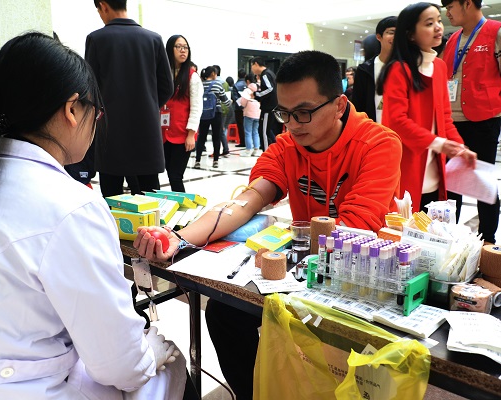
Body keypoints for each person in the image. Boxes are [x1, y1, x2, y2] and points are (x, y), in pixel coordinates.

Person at [0, 32, 185, 400]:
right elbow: (122, 367)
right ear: (72, 109)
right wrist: (152, 350)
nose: (96, 123)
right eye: (96, 112)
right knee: (170, 362)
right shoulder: (71, 207)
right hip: (24, 391)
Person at [135, 50, 404, 400]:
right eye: (284, 113)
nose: (292, 125)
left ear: (339, 105)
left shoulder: (378, 144)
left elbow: (356, 228)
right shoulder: (287, 145)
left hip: (361, 275)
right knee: (224, 312)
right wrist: (178, 238)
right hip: (306, 267)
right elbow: (246, 202)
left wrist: (293, 247)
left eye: (303, 112)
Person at [378, 2, 477, 213]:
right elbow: (397, 121)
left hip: (434, 167)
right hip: (407, 165)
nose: (438, 27)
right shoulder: (399, 69)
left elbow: (445, 118)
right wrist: (440, 144)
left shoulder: (439, 66)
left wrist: (460, 147)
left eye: (439, 21)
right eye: (429, 23)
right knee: (404, 224)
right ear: (411, 34)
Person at [85, 0, 173, 198]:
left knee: (112, 198)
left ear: (103, 6)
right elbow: (167, 87)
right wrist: (148, 106)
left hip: (111, 135)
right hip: (147, 133)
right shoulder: (153, 39)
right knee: (149, 199)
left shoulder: (97, 39)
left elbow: (90, 88)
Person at [442, 0, 501, 244]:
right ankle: (448, 238)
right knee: (451, 184)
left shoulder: (495, 32)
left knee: (483, 183)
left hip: (484, 119)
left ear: (467, 3)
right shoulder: (452, 39)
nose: (447, 12)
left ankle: (487, 239)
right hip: (451, 122)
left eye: (450, 6)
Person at [162, 34, 202, 192]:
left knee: (175, 175)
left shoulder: (192, 76)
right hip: (163, 132)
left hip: (182, 134)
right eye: (178, 47)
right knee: (167, 172)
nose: (183, 50)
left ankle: (182, 205)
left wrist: (191, 134)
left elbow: (196, 107)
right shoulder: (164, 73)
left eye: (185, 47)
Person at [353, 16, 397, 122]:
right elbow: (358, 107)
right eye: (391, 32)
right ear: (379, 37)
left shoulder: (409, 68)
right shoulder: (365, 70)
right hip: (374, 128)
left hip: (401, 130)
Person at [193, 66, 231, 169]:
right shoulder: (217, 84)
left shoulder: (201, 84)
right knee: (216, 136)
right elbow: (225, 100)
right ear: (213, 73)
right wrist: (230, 103)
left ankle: (197, 160)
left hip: (203, 113)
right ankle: (215, 161)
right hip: (216, 113)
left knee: (201, 136)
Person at [250, 56, 281, 151]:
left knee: (263, 132)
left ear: (256, 64)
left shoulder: (265, 75)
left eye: (252, 66)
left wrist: (257, 94)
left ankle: (267, 153)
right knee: (268, 131)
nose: (252, 69)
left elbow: (270, 89)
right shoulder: (270, 73)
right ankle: (276, 151)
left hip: (268, 108)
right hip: (273, 106)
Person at [237, 74, 261, 157]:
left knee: (248, 132)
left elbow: (243, 102)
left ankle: (248, 150)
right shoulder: (259, 89)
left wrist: (241, 105)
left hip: (248, 113)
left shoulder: (247, 90)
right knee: (256, 132)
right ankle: (256, 149)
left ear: (247, 81)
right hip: (258, 113)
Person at [232, 69, 247, 148]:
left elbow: (235, 97)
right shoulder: (248, 84)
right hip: (248, 108)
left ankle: (242, 141)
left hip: (238, 109)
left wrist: (241, 106)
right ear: (245, 75)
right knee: (249, 126)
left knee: (240, 125)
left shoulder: (236, 85)